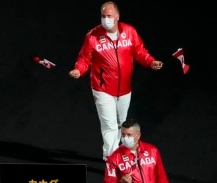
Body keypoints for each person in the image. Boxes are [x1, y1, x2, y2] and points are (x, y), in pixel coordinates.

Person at [69, 1, 163, 160]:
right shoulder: (93, 36)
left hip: (124, 89)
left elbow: (140, 51)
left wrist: (151, 62)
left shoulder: (130, 31)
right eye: (103, 16)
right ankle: (111, 159)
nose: (106, 19)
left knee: (122, 123)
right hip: (102, 88)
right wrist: (79, 70)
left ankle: (117, 154)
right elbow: (84, 58)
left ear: (117, 16)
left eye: (109, 16)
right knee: (110, 126)